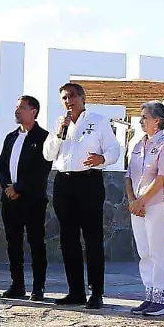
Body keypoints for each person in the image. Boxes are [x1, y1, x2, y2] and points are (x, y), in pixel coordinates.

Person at [42, 82, 122, 310]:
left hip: (89, 182)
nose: (69, 101)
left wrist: (102, 159)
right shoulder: (59, 123)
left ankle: (96, 292)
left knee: (93, 239)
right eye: (65, 98)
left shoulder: (97, 120)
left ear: (82, 97)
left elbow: (114, 150)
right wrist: (59, 133)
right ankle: (75, 291)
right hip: (64, 183)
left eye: (73, 96)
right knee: (68, 240)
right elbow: (48, 154)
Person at [0, 95, 53, 301]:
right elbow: (2, 166)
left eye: (21, 107)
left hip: (33, 201)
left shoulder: (44, 137)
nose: (17, 111)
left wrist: (19, 187)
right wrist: (8, 188)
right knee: (13, 243)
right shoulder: (11, 137)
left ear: (33, 111)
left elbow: (41, 171)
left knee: (36, 243)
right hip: (10, 200)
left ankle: (38, 287)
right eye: (16, 107)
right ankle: (17, 285)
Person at [125, 101, 164, 316]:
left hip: (156, 205)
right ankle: (149, 295)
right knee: (144, 251)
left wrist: (143, 200)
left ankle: (160, 299)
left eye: (145, 116)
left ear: (158, 120)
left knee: (158, 250)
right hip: (137, 205)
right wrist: (133, 200)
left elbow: (162, 177)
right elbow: (128, 175)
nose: (141, 120)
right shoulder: (137, 145)